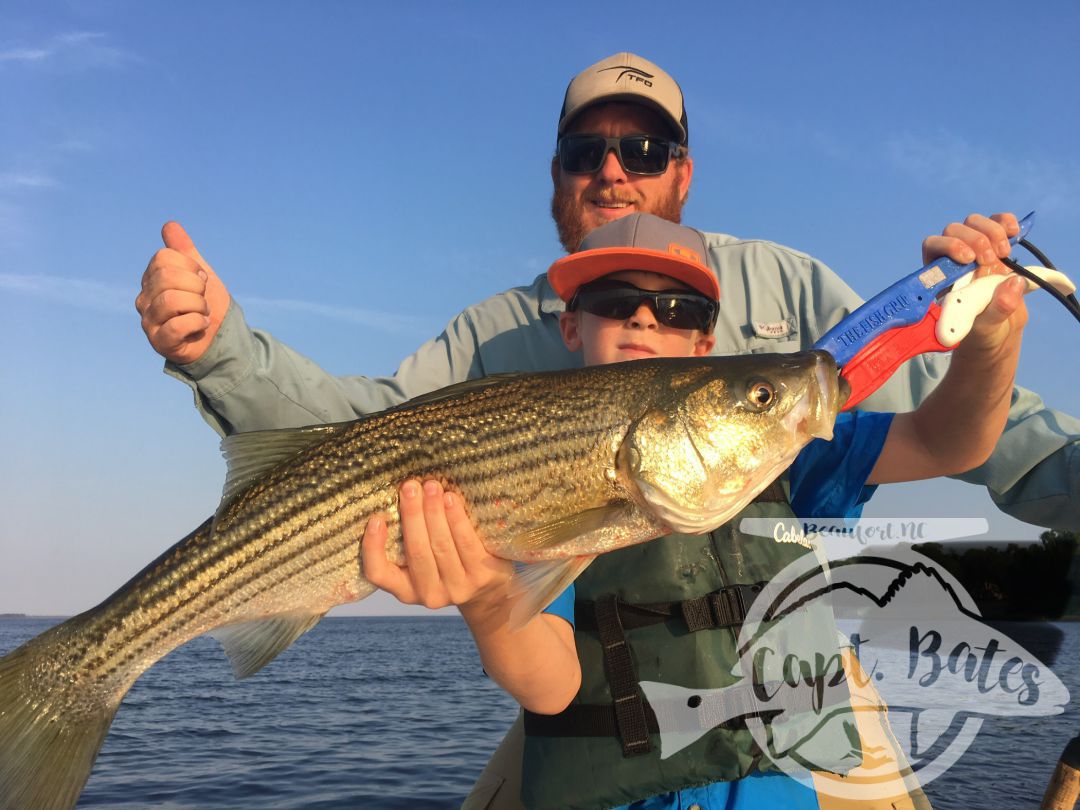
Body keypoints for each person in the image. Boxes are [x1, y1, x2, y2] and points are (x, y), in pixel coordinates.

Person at [135, 52, 1078, 532]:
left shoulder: (792, 283)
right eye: (588, 153)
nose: (615, 172)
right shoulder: (492, 331)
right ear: (557, 178)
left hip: (794, 667)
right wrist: (219, 347)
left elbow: (967, 435)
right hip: (584, 678)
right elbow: (361, 433)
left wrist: (993, 332)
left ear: (684, 174)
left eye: (645, 150)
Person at [358, 212, 1027, 809]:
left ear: (706, 344)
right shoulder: (521, 472)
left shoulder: (795, 453)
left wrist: (990, 342)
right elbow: (551, 686)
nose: (646, 319)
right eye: (616, 301)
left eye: (678, 309)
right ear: (571, 325)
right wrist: (485, 603)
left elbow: (948, 441)